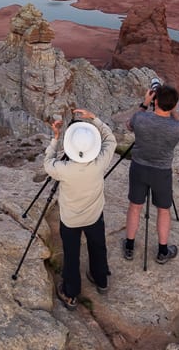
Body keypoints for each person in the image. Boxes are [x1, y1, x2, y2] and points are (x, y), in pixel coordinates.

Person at [44, 109, 118, 310]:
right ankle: (101, 279)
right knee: (97, 247)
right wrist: (95, 119)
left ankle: (71, 292)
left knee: (71, 254)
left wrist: (55, 139)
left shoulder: (63, 169)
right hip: (94, 216)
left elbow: (48, 163)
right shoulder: (99, 163)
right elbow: (111, 141)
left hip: (70, 220)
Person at [122, 83, 179, 264]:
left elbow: (129, 125)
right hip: (162, 173)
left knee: (135, 207)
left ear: (155, 101)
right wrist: (172, 109)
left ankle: (129, 247)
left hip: (139, 168)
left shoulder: (141, 119)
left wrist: (145, 103)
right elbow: (178, 121)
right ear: (174, 105)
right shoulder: (177, 128)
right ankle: (163, 251)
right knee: (164, 210)